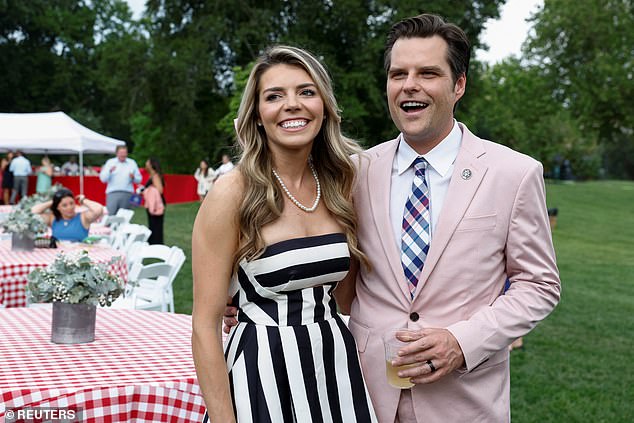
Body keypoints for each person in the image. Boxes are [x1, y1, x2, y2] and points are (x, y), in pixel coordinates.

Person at [226, 14, 561, 422]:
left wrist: (462, 341)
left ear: (459, 85)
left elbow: (538, 285)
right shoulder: (353, 173)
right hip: (358, 395)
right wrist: (257, 299)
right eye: (398, 73)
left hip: (465, 401)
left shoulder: (514, 173)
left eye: (428, 73)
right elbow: (330, 269)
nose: (410, 85)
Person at [192, 45, 377, 422]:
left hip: (334, 367)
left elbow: (347, 295)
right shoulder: (233, 191)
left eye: (306, 92)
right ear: (258, 115)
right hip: (261, 372)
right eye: (274, 96)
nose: (292, 104)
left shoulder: (342, 184)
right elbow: (204, 324)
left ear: (323, 105)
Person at [31, 189, 104, 242]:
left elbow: (98, 209)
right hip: (57, 256)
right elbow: (33, 212)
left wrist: (83, 200)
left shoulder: (83, 217)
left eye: (72, 203)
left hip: (79, 256)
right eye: (64, 205)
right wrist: (52, 202)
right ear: (58, 207)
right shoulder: (52, 218)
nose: (70, 207)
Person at [99, 145, 142, 216]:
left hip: (127, 193)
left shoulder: (132, 163)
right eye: (121, 153)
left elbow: (139, 179)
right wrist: (109, 171)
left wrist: (133, 177)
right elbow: (103, 179)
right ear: (117, 153)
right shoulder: (110, 162)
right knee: (111, 215)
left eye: (125, 153)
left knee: (124, 217)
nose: (123, 155)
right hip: (113, 193)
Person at [143, 157, 165, 245]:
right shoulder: (152, 176)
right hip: (151, 203)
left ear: (151, 165)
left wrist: (150, 189)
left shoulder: (155, 176)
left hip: (156, 204)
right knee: (152, 224)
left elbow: (160, 190)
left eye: (147, 162)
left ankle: (156, 242)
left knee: (156, 225)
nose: (146, 164)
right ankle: (153, 241)